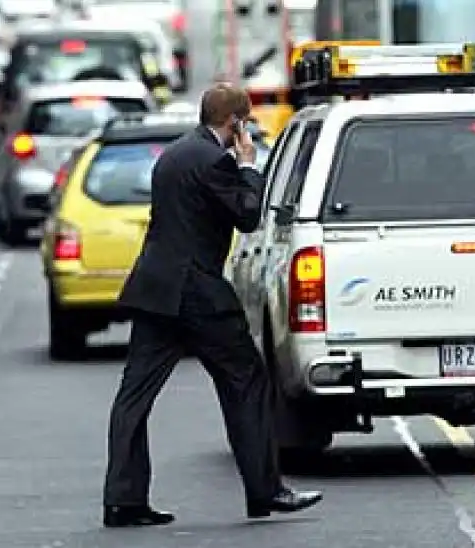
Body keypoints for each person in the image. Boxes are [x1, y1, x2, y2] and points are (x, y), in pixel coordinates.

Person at [102, 82, 323, 527]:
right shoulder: (215, 160)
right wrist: (247, 166)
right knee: (247, 379)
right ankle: (266, 491)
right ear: (235, 122)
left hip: (156, 288)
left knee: (135, 395)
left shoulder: (177, 153)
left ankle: (123, 499)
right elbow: (247, 214)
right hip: (196, 291)